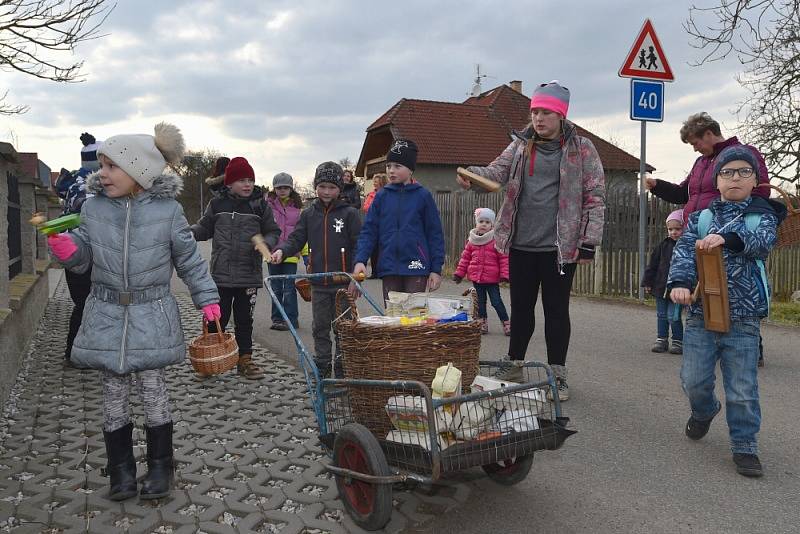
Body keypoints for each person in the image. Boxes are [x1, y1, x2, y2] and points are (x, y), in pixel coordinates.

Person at [47, 123, 220, 500]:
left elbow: (189, 260)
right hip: (106, 312)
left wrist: (206, 298)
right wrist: (68, 251)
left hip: (151, 313)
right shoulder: (92, 209)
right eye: (102, 165)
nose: (102, 174)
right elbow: (83, 255)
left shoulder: (169, 212)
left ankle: (160, 467)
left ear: (139, 171)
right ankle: (121, 470)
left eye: (111, 166)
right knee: (112, 394)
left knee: (154, 392)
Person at [455, 81, 605, 400]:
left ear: (561, 115)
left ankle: (558, 375)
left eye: (546, 112)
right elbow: (496, 173)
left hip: (559, 250)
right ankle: (514, 364)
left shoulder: (582, 148)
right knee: (521, 308)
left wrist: (588, 240)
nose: (539, 118)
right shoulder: (521, 145)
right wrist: (472, 176)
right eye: (535, 111)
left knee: (555, 310)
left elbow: (594, 195)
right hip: (520, 244)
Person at [668, 145, 785, 477]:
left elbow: (761, 242)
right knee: (693, 381)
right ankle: (704, 411)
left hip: (744, 317)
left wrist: (727, 238)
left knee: (743, 388)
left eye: (743, 172)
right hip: (701, 314)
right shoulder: (702, 217)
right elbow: (685, 250)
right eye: (727, 172)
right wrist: (679, 281)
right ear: (716, 181)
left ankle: (745, 445)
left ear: (755, 180)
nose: (735, 178)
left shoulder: (763, 214)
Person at [645, 112, 770, 366]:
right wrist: (657, 185)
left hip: (732, 231)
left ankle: (749, 344)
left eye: (696, 143)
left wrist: (743, 229)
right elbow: (683, 193)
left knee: (737, 291)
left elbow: (761, 190)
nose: (695, 149)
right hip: (700, 231)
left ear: (709, 134)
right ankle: (706, 345)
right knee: (705, 292)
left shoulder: (741, 156)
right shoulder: (701, 163)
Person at [191, 156, 281, 379]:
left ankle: (245, 360)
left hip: (248, 276)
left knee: (244, 320)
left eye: (250, 179)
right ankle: (213, 359)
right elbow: (203, 228)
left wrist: (265, 244)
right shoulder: (217, 204)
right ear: (229, 183)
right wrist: (186, 233)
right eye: (241, 180)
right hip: (220, 276)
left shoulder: (260, 205)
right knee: (216, 320)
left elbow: (273, 231)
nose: (247, 184)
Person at [271, 162, 361, 378]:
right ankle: (322, 365)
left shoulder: (350, 214)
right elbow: (296, 238)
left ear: (339, 188)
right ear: (315, 187)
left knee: (343, 329)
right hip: (318, 283)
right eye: (322, 186)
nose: (327, 192)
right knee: (319, 328)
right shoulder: (309, 214)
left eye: (332, 187)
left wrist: (356, 276)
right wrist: (282, 251)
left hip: (343, 284)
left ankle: (341, 369)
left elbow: (359, 244)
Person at [353, 139, 445, 301]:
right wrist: (360, 259)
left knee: (413, 317)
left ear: (410, 170)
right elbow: (369, 231)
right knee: (393, 318)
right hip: (389, 266)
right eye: (389, 166)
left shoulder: (423, 196)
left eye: (397, 166)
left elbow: (434, 233)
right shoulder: (381, 196)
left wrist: (435, 269)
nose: (391, 171)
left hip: (416, 266)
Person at [53, 132, 100, 364]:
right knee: (90, 305)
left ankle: (73, 351)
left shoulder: (71, 183)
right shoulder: (96, 188)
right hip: (90, 252)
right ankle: (80, 353)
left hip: (71, 250)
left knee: (82, 304)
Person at [452, 208, 510, 336]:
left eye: (487, 222)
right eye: (481, 221)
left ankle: (506, 322)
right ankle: (482, 322)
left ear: (492, 225)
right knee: (481, 303)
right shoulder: (472, 241)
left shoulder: (495, 240)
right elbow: (465, 258)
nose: (484, 224)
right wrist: (459, 274)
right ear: (476, 223)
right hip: (477, 279)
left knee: (496, 302)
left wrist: (505, 275)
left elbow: (504, 258)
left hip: (492, 279)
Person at [642, 209, 685, 355]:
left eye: (678, 229)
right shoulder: (663, 246)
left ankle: (678, 341)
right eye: (670, 229)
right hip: (660, 287)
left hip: (677, 289)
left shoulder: (686, 246)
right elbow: (652, 265)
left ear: (684, 228)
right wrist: (648, 282)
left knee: (674, 316)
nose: (673, 232)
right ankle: (662, 339)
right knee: (661, 314)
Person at [266, 172, 304, 331]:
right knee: (275, 288)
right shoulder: (267, 206)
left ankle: (291, 319)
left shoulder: (297, 208)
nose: (282, 190)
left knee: (289, 288)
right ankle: (277, 318)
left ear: (291, 189)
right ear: (274, 188)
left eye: (286, 188)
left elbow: (302, 232)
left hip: (290, 255)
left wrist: (304, 253)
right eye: (279, 187)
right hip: (272, 254)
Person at [362, 172, 388, 278]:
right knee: (374, 250)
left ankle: (383, 271)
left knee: (383, 249)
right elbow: (365, 207)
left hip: (384, 224)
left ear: (382, 182)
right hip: (373, 224)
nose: (374, 184)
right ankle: (374, 272)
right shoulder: (371, 194)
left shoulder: (387, 193)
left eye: (376, 182)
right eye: (374, 182)